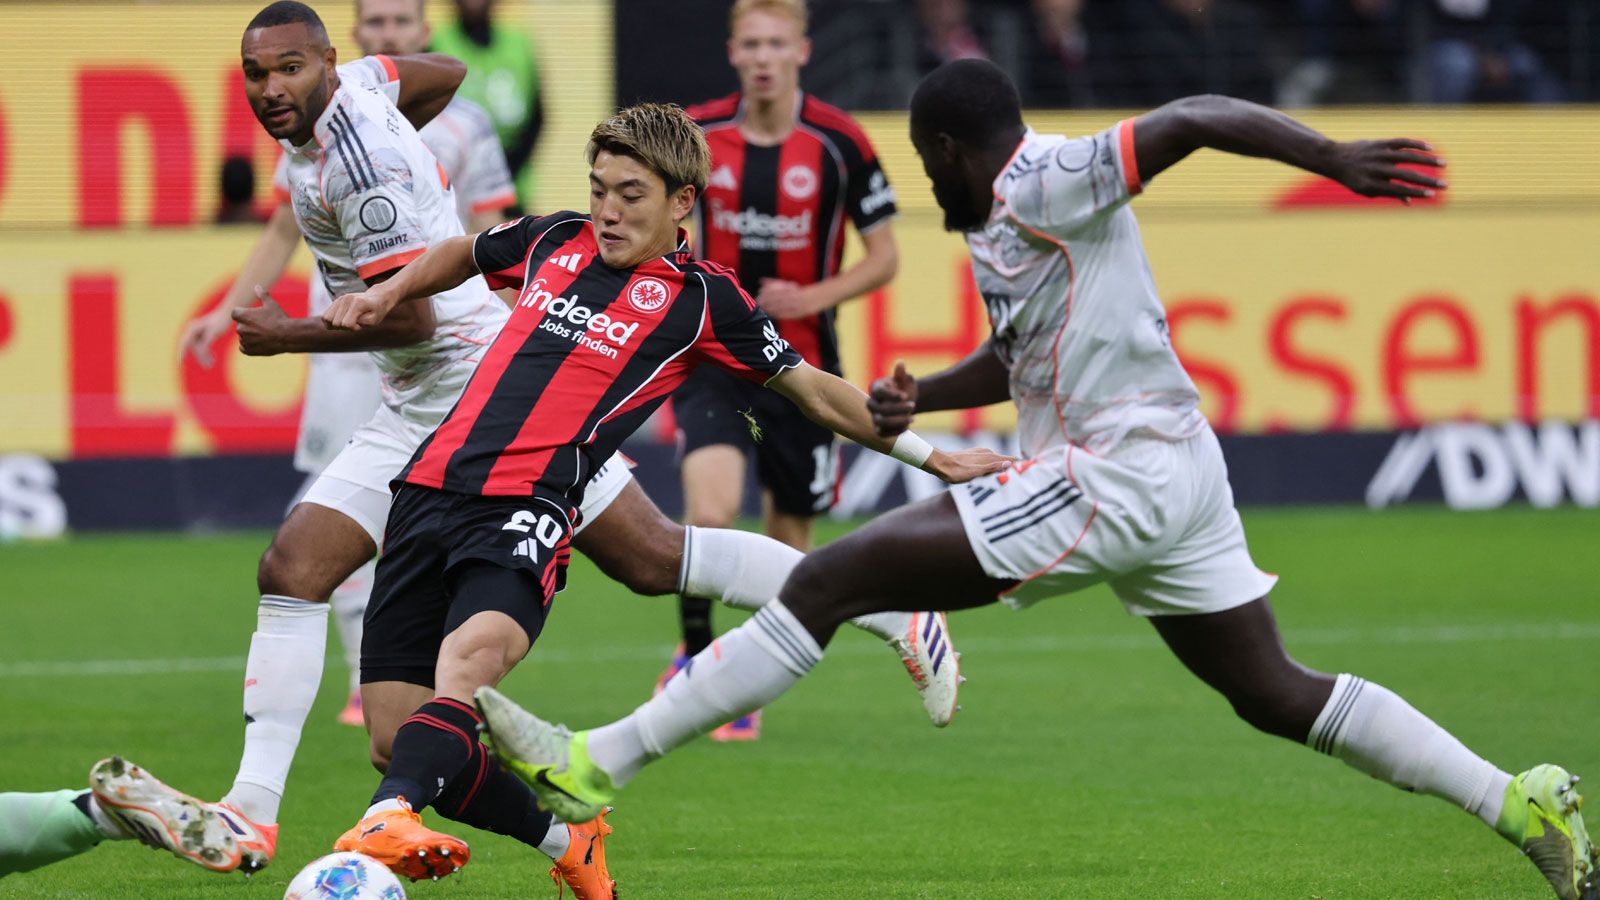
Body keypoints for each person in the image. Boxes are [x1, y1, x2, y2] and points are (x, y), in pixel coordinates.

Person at [473, 60, 1598, 900]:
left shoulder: (1048, 176)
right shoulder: (1002, 228)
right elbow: (1017, 358)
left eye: (926, 164)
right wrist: (931, 397)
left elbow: (1196, 116)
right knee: (1271, 690)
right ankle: (1516, 798)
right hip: (1172, 469)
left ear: (957, 147)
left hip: (1115, 473)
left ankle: (596, 764)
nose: (926, 181)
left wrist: (1334, 162)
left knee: (832, 582)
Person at [315, 100, 1009, 884]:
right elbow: (462, 251)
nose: (608, 211)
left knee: (467, 671)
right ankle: (564, 843)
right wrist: (383, 295)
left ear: (681, 201)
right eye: (600, 188)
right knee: (395, 733)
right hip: (427, 490)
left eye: (630, 194)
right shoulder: (553, 238)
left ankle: (387, 814)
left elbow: (816, 392)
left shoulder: (703, 299)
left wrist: (932, 456)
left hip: (529, 506)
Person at [179, 0, 523, 731]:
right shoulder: (339, 109)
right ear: (359, 39)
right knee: (312, 544)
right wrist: (233, 310)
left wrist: (288, 333)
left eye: (403, 22)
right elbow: (282, 227)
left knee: (645, 555)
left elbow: (479, 238)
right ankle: (374, 688)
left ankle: (426, 685)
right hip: (372, 346)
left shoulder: (397, 135)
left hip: (444, 351)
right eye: (256, 72)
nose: (270, 85)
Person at [666, 0, 901, 741]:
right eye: (751, 44)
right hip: (716, 360)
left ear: (801, 50)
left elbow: (886, 256)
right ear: (733, 52)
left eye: (778, 43)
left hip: (803, 370)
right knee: (708, 514)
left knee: (785, 542)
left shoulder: (839, 142)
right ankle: (698, 661)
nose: (764, 57)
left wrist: (811, 295)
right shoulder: (697, 134)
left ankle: (747, 672)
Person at [430, 0, 542, 206]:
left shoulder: (519, 43)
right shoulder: (435, 43)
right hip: (453, 190)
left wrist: (502, 173)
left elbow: (537, 118)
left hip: (512, 188)